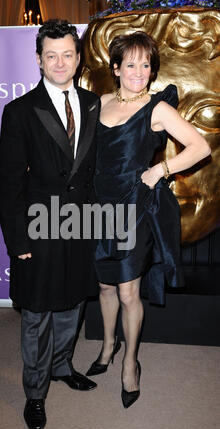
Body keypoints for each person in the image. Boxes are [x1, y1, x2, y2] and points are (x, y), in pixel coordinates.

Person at [86, 32, 211, 409]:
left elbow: (201, 147)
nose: (139, 72)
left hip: (133, 208)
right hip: (97, 208)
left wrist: (162, 169)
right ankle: (108, 346)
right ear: (115, 68)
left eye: (145, 65)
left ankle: (130, 362)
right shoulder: (102, 102)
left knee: (127, 291)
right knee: (105, 287)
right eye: (131, 64)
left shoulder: (157, 109)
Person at [0, 19, 100, 429]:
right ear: (39, 60)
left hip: (80, 226)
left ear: (78, 59)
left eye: (68, 54)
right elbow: (8, 182)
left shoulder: (93, 104)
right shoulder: (20, 111)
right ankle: (35, 392)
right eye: (51, 55)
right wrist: (17, 238)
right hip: (38, 227)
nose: (60, 63)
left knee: (72, 304)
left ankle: (61, 366)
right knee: (37, 313)